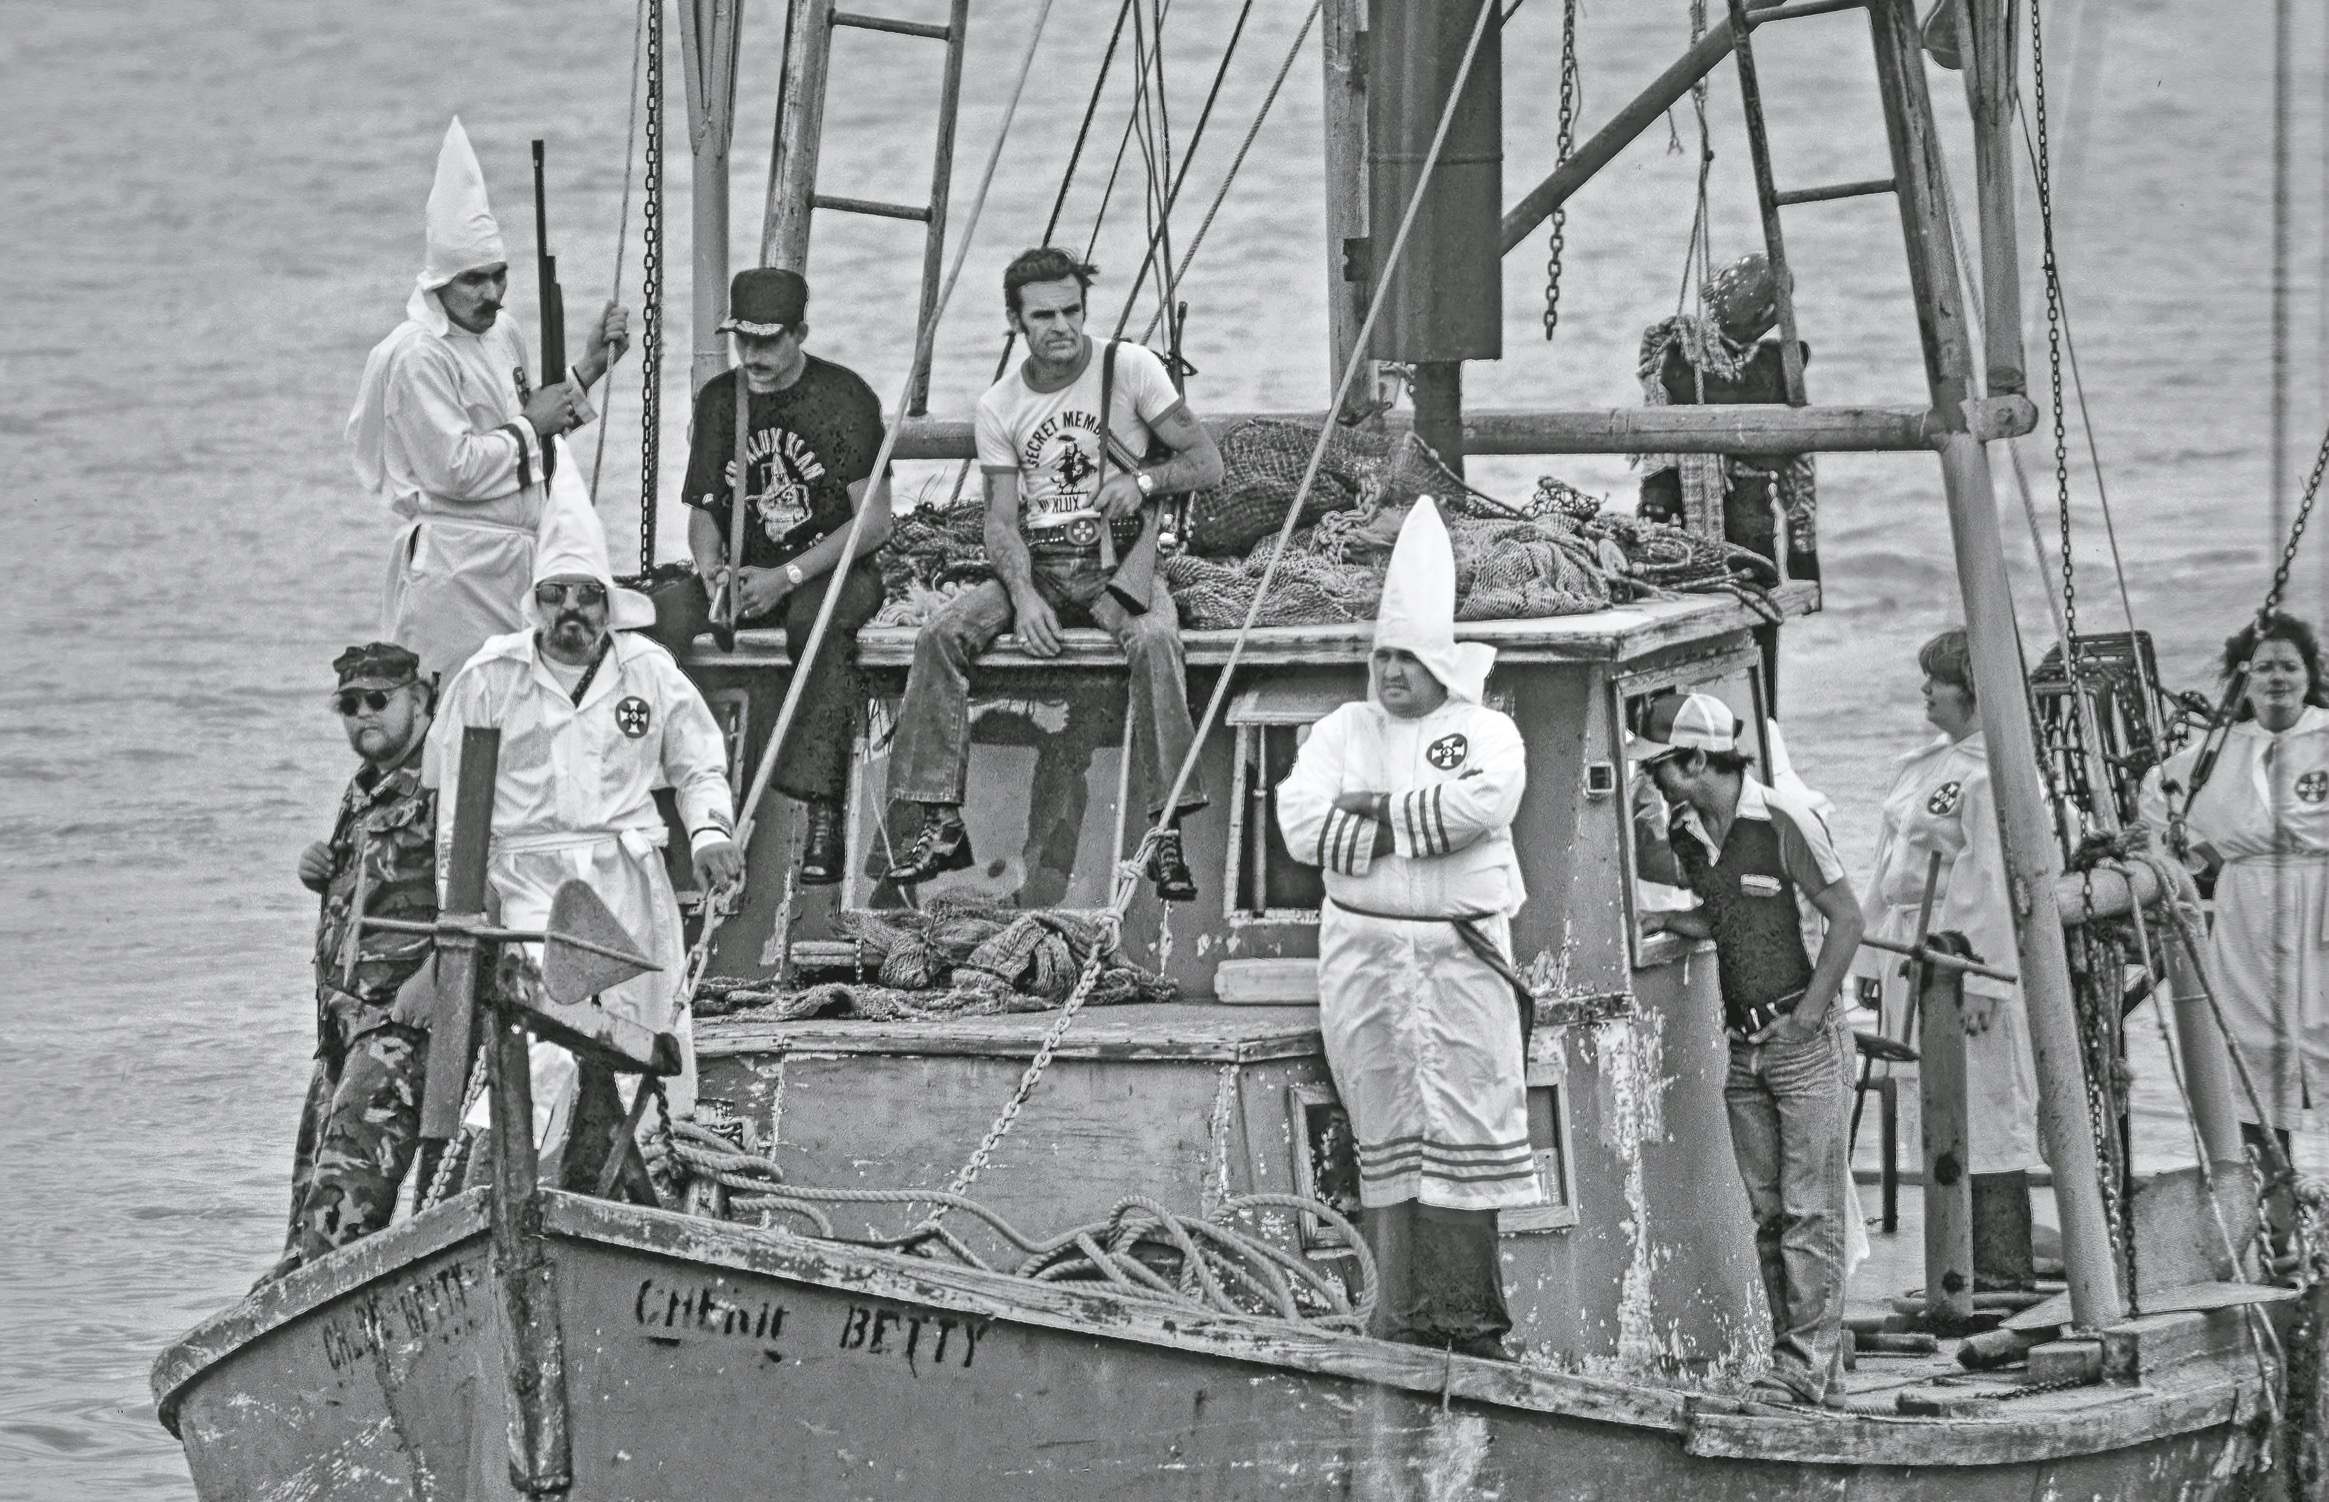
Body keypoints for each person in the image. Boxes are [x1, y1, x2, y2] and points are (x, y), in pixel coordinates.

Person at [1275, 498, 1536, 1359]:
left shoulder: (1486, 730)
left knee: (1468, 1133)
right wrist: (1396, 825)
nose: (1391, 672)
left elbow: (1480, 805)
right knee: (1381, 1128)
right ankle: (1397, 1317)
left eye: (1408, 658)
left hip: (1460, 962)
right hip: (1363, 959)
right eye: (1382, 655)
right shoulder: (1340, 729)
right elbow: (1300, 823)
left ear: (1440, 665)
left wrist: (1376, 815)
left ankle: (1470, 1324)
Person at [883, 247, 1224, 900]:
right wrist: (1021, 597)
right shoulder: (1000, 405)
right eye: (1044, 315)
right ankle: (940, 824)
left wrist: (1143, 479)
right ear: (1015, 322)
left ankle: (1166, 832)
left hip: (1115, 564)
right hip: (1038, 566)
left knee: (1155, 639)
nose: (1062, 325)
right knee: (941, 635)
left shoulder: (1131, 369)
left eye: (1072, 310)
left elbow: (1204, 462)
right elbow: (1000, 521)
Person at [426, 508, 743, 1172]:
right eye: (555, 594)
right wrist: (458, 908)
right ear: (535, 602)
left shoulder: (647, 671)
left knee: (644, 1036)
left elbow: (698, 764)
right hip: (530, 882)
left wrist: (710, 831)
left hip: (625, 874)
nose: (571, 609)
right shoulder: (490, 677)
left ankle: (635, 1172)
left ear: (608, 602)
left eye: (587, 595)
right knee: (539, 1030)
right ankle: (492, 1178)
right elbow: (457, 807)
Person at [1629, 691, 1861, 1406]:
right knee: (1773, 1217)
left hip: (1800, 1044)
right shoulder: (1697, 831)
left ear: (1696, 760)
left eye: (1660, 767)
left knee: (1807, 1211)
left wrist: (1808, 1018)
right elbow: (1723, 915)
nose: (1653, 780)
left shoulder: (1784, 818)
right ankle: (1808, 1368)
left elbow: (1847, 919)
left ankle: (1800, 1370)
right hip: (1744, 1046)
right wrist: (1666, 918)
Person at [346, 117, 634, 683]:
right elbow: (456, 468)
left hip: (520, 560)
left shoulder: (504, 332)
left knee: (523, 709)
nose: (492, 294)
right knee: (453, 713)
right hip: (456, 568)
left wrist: (590, 368)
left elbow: (529, 424)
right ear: (440, 284)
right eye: (474, 280)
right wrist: (532, 425)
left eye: (499, 277)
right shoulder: (420, 356)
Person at [663, 268, 891, 885]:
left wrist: (787, 576)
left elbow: (873, 524)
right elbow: (704, 511)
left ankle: (820, 807)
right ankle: (651, 786)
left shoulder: (844, 398)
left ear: (800, 334)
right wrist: (712, 572)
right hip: (744, 568)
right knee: (655, 621)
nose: (755, 356)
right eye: (745, 342)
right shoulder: (720, 401)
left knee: (816, 621)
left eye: (769, 341)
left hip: (829, 565)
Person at [1853, 628, 2041, 1288]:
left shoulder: (1990, 777)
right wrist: (1868, 963)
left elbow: (1988, 880)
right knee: (1924, 1104)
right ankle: (1951, 1264)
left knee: (1983, 1111)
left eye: (1937, 677)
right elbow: (1885, 872)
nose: (1925, 688)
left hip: (1961, 958)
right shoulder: (1922, 765)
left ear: (1972, 687)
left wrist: (1986, 984)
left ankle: (1999, 1269)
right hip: (1910, 947)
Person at [2143, 612, 2329, 1193]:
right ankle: (2276, 1208)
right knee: (2250, 1055)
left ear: (2309, 674)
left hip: (2321, 900)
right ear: (2242, 678)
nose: (2277, 676)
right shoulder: (2214, 752)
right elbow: (2155, 803)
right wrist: (2197, 859)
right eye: (2263, 665)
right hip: (2247, 907)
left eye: (2289, 665)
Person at [274, 643, 439, 1278]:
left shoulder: (440, 778)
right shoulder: (363, 787)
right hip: (343, 1026)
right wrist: (322, 866)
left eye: (379, 700)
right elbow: (375, 882)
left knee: (339, 1219)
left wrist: (435, 977)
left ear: (418, 699)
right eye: (350, 704)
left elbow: (483, 887)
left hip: (397, 1026)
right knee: (307, 1209)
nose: (363, 714)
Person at [1635, 252, 1816, 707]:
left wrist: (1802, 564)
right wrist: (1804, 562)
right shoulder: (1680, 354)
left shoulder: (1682, 357)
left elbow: (1794, 462)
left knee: (1753, 625)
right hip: (1689, 515)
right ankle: (1719, 723)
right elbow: (1794, 465)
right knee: (1695, 627)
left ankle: (1755, 723)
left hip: (1735, 516)